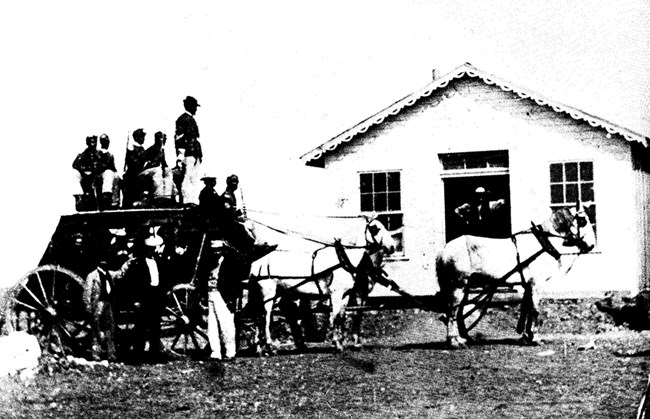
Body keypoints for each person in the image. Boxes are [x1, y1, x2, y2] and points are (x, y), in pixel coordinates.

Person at [220, 174, 276, 261]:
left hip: (231, 219)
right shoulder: (226, 196)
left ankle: (259, 244)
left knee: (250, 224)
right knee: (245, 226)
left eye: (236, 183)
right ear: (229, 184)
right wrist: (237, 216)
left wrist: (238, 213)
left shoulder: (231, 195)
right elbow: (227, 212)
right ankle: (253, 246)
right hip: (228, 222)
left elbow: (231, 210)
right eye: (234, 183)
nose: (236, 186)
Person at [174, 96, 203, 206]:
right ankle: (187, 200)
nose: (195, 109)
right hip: (188, 153)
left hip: (194, 153)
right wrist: (180, 157)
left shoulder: (190, 119)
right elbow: (180, 139)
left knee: (193, 177)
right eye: (194, 106)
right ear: (189, 106)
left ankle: (192, 200)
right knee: (187, 177)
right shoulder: (182, 119)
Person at [140, 131, 176, 206]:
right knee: (158, 174)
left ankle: (168, 196)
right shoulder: (153, 149)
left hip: (158, 170)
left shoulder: (161, 150)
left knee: (168, 173)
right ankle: (157, 197)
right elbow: (145, 162)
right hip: (150, 170)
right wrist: (155, 160)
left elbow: (164, 163)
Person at [72, 135, 102, 210]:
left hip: (98, 176)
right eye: (91, 142)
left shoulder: (100, 154)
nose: (93, 144)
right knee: (74, 174)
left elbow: (105, 164)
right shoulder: (83, 155)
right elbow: (75, 164)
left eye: (94, 142)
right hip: (87, 177)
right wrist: (85, 171)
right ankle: (79, 197)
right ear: (87, 143)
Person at [123, 128, 147, 208]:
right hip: (133, 175)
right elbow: (133, 162)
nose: (143, 139)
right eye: (141, 137)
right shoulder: (133, 149)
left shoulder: (141, 149)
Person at [97, 134, 121, 209]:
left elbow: (113, 167)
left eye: (107, 141)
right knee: (108, 173)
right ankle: (106, 195)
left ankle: (115, 201)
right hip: (100, 174)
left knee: (116, 176)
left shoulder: (110, 154)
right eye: (104, 141)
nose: (106, 143)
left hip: (109, 172)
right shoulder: (98, 153)